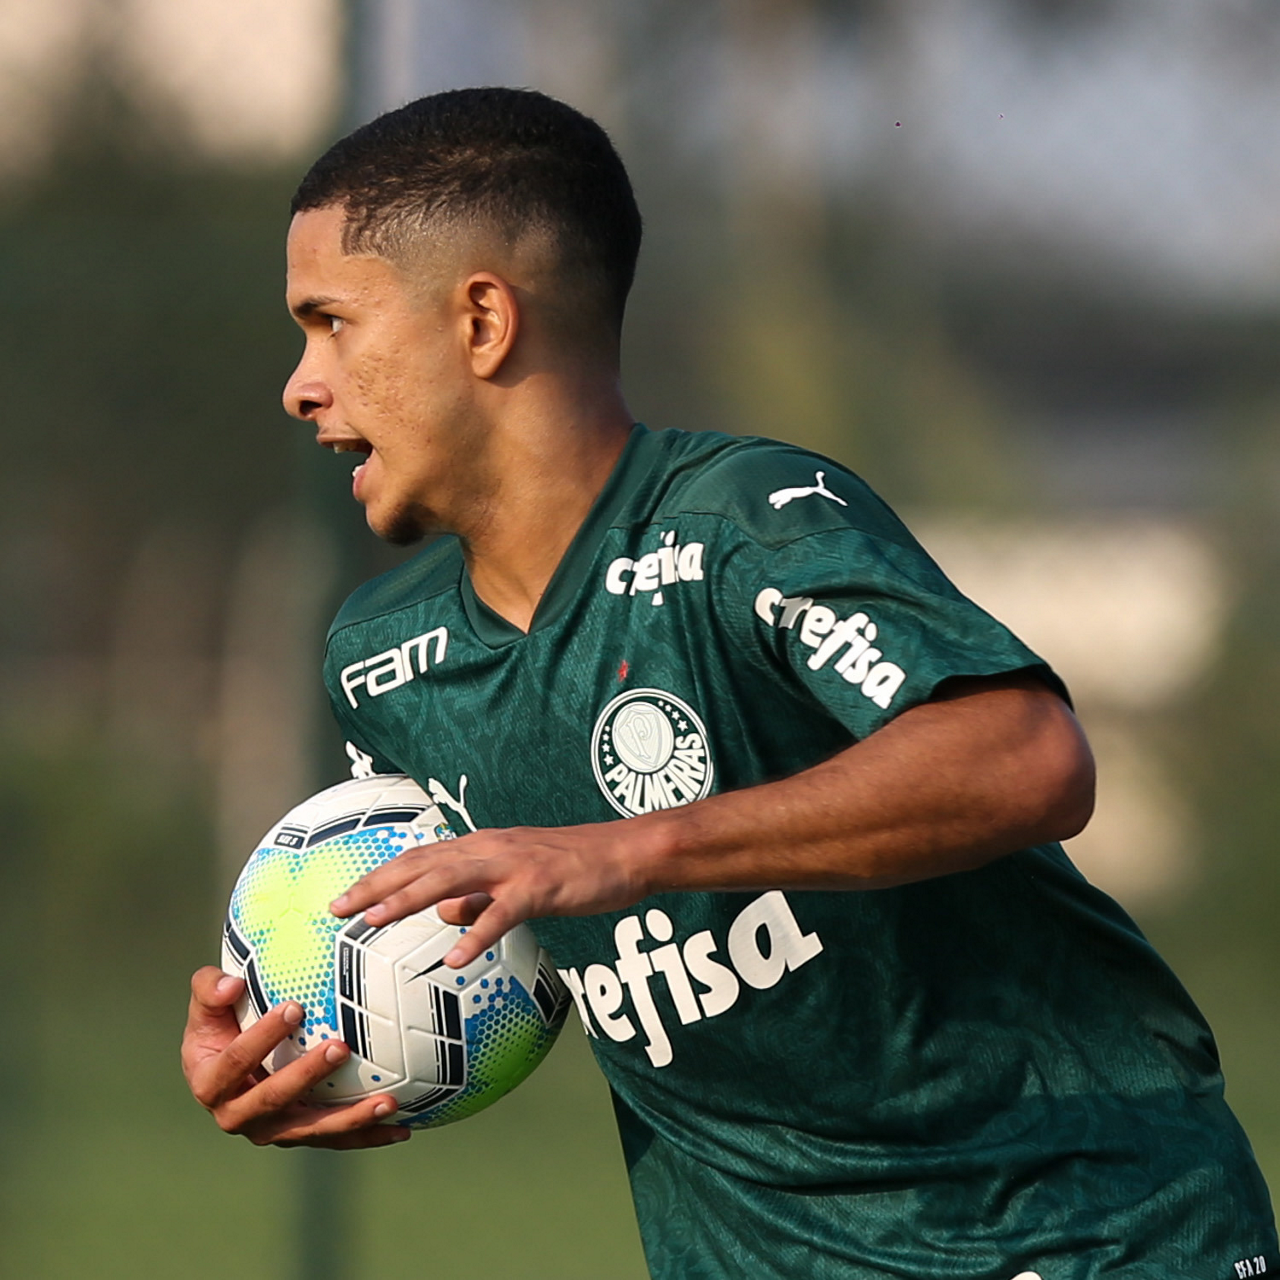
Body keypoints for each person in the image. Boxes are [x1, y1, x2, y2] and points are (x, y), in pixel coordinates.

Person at [182, 87, 1277, 1279]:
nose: (301, 383)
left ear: (483, 321)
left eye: (332, 323)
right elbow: (497, 952)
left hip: (1077, 1230)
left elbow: (1023, 754)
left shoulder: (741, 527)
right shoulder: (384, 658)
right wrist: (304, 1041)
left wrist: (623, 849)